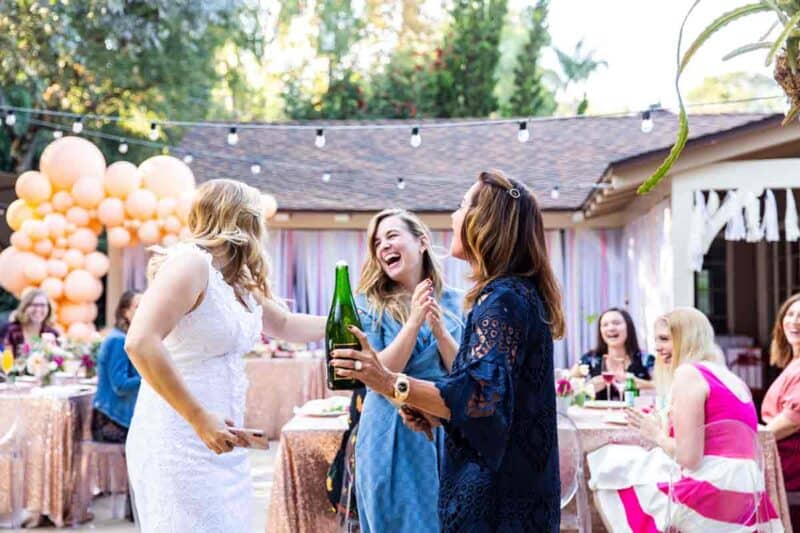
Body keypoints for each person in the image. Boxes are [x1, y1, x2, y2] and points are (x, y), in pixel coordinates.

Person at [332, 170, 564, 532]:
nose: (453, 217)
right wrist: (439, 417)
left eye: (461, 206)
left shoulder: (500, 302)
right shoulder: (506, 296)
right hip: (498, 485)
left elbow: (478, 396)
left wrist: (390, 381)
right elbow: (493, 408)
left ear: (484, 223)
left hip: (501, 502)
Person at [124, 179, 326, 533]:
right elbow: (140, 342)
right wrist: (198, 417)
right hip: (180, 436)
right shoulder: (190, 265)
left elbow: (286, 324)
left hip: (223, 442)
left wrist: (354, 317)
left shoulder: (238, 279)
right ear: (242, 219)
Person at [588, 308, 783, 532]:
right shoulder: (728, 376)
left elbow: (689, 458)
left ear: (687, 337)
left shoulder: (688, 373)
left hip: (712, 492)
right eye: (656, 340)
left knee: (607, 467)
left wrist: (655, 433)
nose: (658, 348)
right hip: (748, 496)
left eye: (664, 339)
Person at [350, 208, 463, 533]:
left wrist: (441, 332)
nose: (383, 245)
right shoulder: (367, 304)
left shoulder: (458, 302)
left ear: (422, 241)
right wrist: (414, 320)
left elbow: (463, 374)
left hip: (445, 428)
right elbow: (379, 372)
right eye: (377, 241)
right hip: (390, 431)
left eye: (392, 236)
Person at [91, 290, 142, 444]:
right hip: (110, 420)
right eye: (138, 307)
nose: (144, 311)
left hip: (120, 417)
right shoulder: (118, 340)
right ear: (125, 312)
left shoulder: (127, 338)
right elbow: (120, 385)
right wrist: (150, 377)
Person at [762, 293, 800, 491]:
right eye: (790, 314)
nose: (794, 322)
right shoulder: (793, 363)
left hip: (793, 478)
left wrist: (741, 443)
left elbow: (789, 424)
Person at [578, 307, 655, 400]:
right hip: (598, 414)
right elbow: (565, 386)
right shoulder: (590, 359)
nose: (611, 328)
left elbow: (663, 387)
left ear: (628, 327)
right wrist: (588, 387)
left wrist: (636, 382)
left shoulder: (645, 359)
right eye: (605, 325)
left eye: (616, 323)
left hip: (634, 413)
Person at [2, 288, 60, 359]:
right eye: (34, 305)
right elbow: (6, 360)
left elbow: (57, 362)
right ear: (25, 307)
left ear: (48, 309)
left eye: (42, 305)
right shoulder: (11, 330)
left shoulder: (52, 333)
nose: (38, 309)